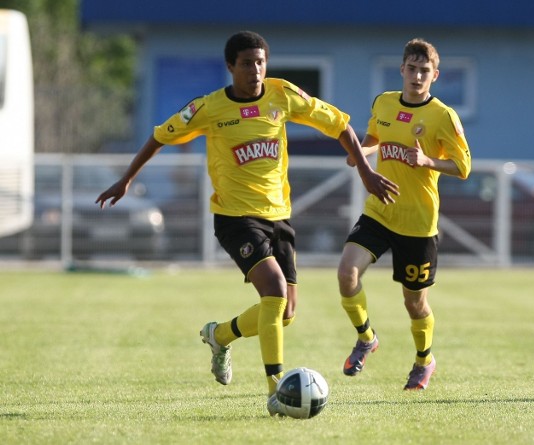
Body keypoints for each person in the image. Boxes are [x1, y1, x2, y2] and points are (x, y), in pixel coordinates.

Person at [95, 30, 399, 415]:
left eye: (260, 62)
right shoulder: (208, 109)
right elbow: (159, 137)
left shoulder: (284, 95)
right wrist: (126, 179)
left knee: (285, 312)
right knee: (272, 290)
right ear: (230, 67)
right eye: (246, 63)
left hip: (279, 216)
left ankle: (219, 335)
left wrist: (366, 173)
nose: (255, 70)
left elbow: (338, 124)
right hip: (235, 218)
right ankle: (276, 390)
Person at [337, 38, 471, 391]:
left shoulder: (442, 116)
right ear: (402, 70)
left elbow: (463, 166)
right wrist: (359, 153)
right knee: (347, 274)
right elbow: (374, 137)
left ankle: (424, 360)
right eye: (412, 69)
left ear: (435, 75)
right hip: (380, 211)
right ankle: (366, 338)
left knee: (414, 303)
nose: (417, 76)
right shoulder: (383, 102)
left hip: (417, 222)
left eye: (424, 71)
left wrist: (428, 161)